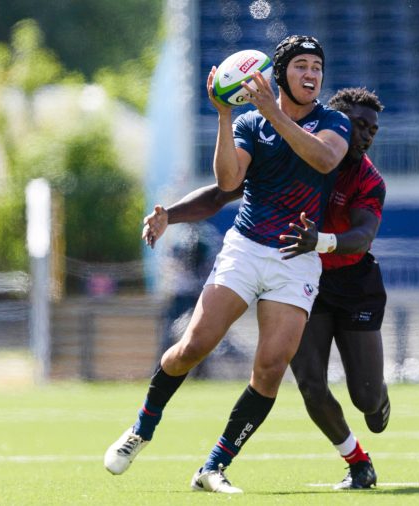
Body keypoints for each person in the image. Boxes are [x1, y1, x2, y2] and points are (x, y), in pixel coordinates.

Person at [104, 35, 351, 494]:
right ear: (278, 75)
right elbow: (226, 182)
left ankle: (213, 467)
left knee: (271, 367)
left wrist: (275, 114)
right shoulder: (251, 124)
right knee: (192, 347)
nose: (311, 74)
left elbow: (323, 159)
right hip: (247, 249)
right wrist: (223, 113)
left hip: (297, 259)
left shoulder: (332, 122)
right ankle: (141, 428)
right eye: (300, 66)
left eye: (317, 66)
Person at [133, 87, 389, 490]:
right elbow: (223, 192)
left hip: (352, 280)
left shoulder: (367, 178)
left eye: (372, 129)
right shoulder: (295, 154)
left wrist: (319, 240)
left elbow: (362, 236)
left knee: (368, 400)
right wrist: (173, 215)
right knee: (307, 382)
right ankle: (357, 461)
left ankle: (375, 406)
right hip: (302, 274)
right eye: (358, 125)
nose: (365, 136)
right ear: (334, 123)